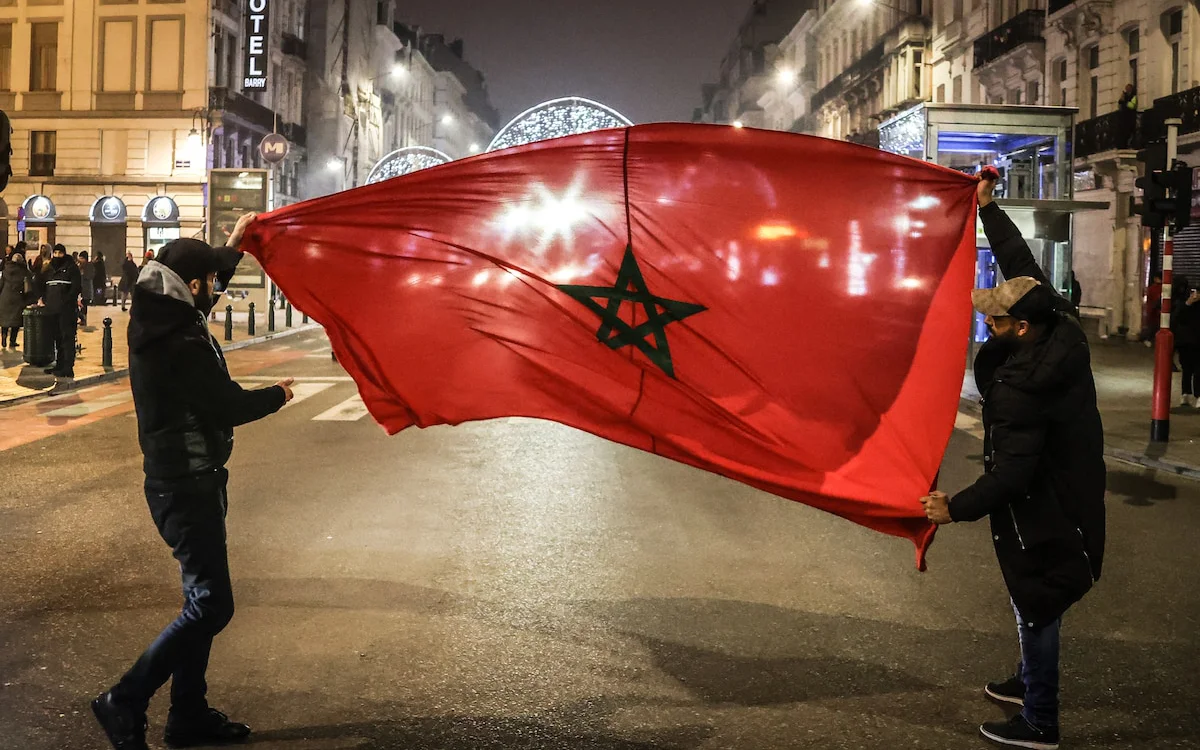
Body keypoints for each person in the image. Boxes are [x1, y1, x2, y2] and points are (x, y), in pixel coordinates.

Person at [90, 212, 295, 750]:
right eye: (207, 285)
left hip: (186, 477)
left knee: (198, 599)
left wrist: (231, 247)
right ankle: (125, 699)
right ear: (193, 288)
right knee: (212, 606)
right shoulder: (178, 339)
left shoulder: (161, 313)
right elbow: (226, 405)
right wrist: (278, 394)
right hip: (184, 483)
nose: (213, 294)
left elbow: (206, 284)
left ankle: (188, 714)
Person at [920, 173, 1106, 750]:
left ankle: (1040, 719)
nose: (988, 324)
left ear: (1020, 328)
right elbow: (1021, 267)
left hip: (1044, 509)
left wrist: (956, 507)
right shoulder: (1059, 330)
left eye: (995, 321)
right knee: (1035, 600)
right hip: (1068, 493)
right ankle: (1028, 681)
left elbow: (1013, 473)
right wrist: (989, 210)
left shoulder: (1023, 385)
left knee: (1037, 604)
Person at [38, 244, 82, 380]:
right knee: (57, 338)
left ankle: (68, 367)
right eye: (55, 253)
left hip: (66, 311)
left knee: (67, 339)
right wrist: (44, 300)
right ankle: (59, 364)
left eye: (60, 253)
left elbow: (75, 288)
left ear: (64, 253)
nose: (57, 255)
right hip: (52, 310)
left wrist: (66, 302)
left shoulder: (71, 268)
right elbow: (42, 286)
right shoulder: (49, 269)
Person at [1171, 276, 1200, 407]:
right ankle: (1186, 395)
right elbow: (1177, 318)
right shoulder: (1183, 303)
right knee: (1187, 369)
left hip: (1196, 341)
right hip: (1186, 342)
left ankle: (1198, 395)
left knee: (1198, 370)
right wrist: (1189, 303)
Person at [0, 247, 32, 349]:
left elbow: (0, 284)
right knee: (16, 321)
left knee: (4, 320)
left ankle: (4, 336)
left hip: (5, 297)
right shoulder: (23, 271)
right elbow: (27, 286)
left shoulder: (5, 270)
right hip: (17, 297)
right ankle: (12, 341)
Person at [1117, 84, 1138, 148]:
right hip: (1124, 118)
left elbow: (1133, 106)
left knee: (1130, 132)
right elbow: (1120, 103)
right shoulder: (1124, 95)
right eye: (1127, 88)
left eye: (1128, 88)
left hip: (1131, 117)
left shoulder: (1134, 97)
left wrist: (1125, 102)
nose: (1127, 90)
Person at [79, 250, 96, 327]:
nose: (80, 259)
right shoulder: (79, 266)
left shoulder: (89, 266)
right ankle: (82, 319)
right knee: (82, 305)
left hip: (86, 289)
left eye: (81, 258)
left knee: (84, 305)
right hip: (80, 289)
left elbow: (90, 276)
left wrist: (83, 274)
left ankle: (83, 319)